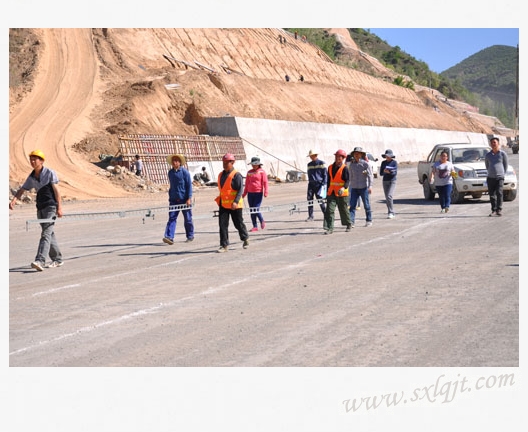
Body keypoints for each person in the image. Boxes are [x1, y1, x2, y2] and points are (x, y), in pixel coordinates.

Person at [9, 149, 64, 271]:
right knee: (48, 233)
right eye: (31, 159)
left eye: (35, 159)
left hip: (50, 207)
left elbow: (57, 191)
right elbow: (22, 189)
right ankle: (57, 259)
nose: (32, 161)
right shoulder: (32, 176)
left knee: (46, 234)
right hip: (40, 207)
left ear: (41, 161)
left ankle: (40, 260)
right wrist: (14, 200)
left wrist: (59, 207)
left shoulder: (50, 173)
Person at [215, 153, 249, 252]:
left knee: (238, 223)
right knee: (222, 225)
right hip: (223, 204)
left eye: (227, 162)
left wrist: (235, 201)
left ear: (232, 162)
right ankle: (224, 245)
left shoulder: (236, 175)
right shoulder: (220, 175)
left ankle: (245, 238)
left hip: (235, 205)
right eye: (224, 162)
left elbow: (240, 190)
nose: (225, 164)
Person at [162, 153, 194, 244]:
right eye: (173, 161)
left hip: (184, 199)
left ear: (180, 162)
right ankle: (169, 237)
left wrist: (189, 198)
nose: (174, 162)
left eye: (176, 161)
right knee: (172, 218)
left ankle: (190, 235)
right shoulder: (170, 173)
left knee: (188, 219)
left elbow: (189, 186)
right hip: (174, 200)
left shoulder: (185, 172)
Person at [323, 149, 352, 234]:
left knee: (343, 209)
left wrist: (343, 188)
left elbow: (347, 180)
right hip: (331, 192)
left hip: (341, 193)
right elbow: (328, 181)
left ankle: (348, 224)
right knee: (329, 210)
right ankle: (329, 228)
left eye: (340, 157)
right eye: (336, 156)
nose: (338, 158)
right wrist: (326, 193)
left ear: (343, 158)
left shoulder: (345, 168)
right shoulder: (330, 167)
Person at [348, 146, 373, 227]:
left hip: (364, 187)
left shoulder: (365, 164)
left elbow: (370, 176)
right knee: (352, 205)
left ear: (361, 154)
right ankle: (351, 221)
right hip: (354, 187)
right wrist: (348, 186)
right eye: (355, 153)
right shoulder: (352, 165)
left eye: (358, 153)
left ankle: (369, 220)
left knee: (366, 205)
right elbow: (350, 176)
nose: (356, 155)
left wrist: (370, 186)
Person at [242, 156, 269, 232]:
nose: (253, 166)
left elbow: (265, 182)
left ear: (258, 164)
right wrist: (244, 193)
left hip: (258, 193)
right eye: (252, 164)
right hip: (250, 193)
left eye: (255, 164)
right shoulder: (249, 172)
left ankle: (261, 220)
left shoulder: (262, 172)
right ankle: (255, 226)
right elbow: (247, 183)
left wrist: (266, 191)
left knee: (256, 208)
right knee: (252, 210)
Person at [485, 136, 509, 216]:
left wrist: (502, 173)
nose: (493, 144)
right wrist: (491, 172)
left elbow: (505, 165)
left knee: (499, 193)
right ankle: (494, 210)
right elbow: (487, 165)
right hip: (490, 177)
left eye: (494, 142)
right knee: (492, 195)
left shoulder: (502, 154)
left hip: (499, 177)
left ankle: (499, 209)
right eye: (492, 143)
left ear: (498, 143)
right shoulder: (488, 155)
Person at [305, 149, 327, 221]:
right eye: (310, 156)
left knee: (320, 200)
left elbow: (325, 175)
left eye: (312, 156)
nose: (311, 157)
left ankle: (326, 215)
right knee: (309, 200)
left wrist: (324, 184)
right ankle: (310, 216)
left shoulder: (321, 163)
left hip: (319, 184)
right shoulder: (309, 165)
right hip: (311, 184)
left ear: (315, 155)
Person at [380, 149, 398, 219]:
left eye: (388, 156)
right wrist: (384, 172)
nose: (387, 157)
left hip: (392, 181)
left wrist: (389, 172)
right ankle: (389, 211)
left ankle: (391, 212)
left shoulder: (394, 162)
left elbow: (395, 173)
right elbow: (381, 173)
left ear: (391, 156)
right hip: (385, 181)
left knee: (389, 196)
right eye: (386, 156)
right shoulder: (383, 163)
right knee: (387, 198)